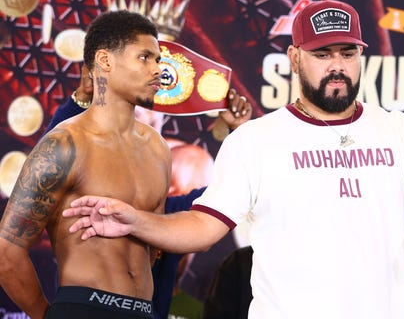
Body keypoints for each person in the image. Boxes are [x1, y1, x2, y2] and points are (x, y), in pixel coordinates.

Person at [61, 0, 404, 318]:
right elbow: (203, 228)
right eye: (322, 54)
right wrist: (134, 221)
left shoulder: (397, 128)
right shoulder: (255, 141)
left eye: (347, 53)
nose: (337, 65)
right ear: (294, 57)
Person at [39, 63, 251, 318]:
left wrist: (241, 132)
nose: (139, 123)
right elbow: (51, 157)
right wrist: (81, 99)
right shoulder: (83, 194)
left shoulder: (167, 212)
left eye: (148, 114)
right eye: (131, 111)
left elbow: (229, 190)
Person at [0, 10, 168, 319]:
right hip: (83, 308)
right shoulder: (64, 144)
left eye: (158, 59)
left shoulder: (158, 148)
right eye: (145, 57)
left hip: (145, 310)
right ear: (105, 60)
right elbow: (6, 251)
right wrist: (46, 316)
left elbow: (154, 247)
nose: (158, 69)